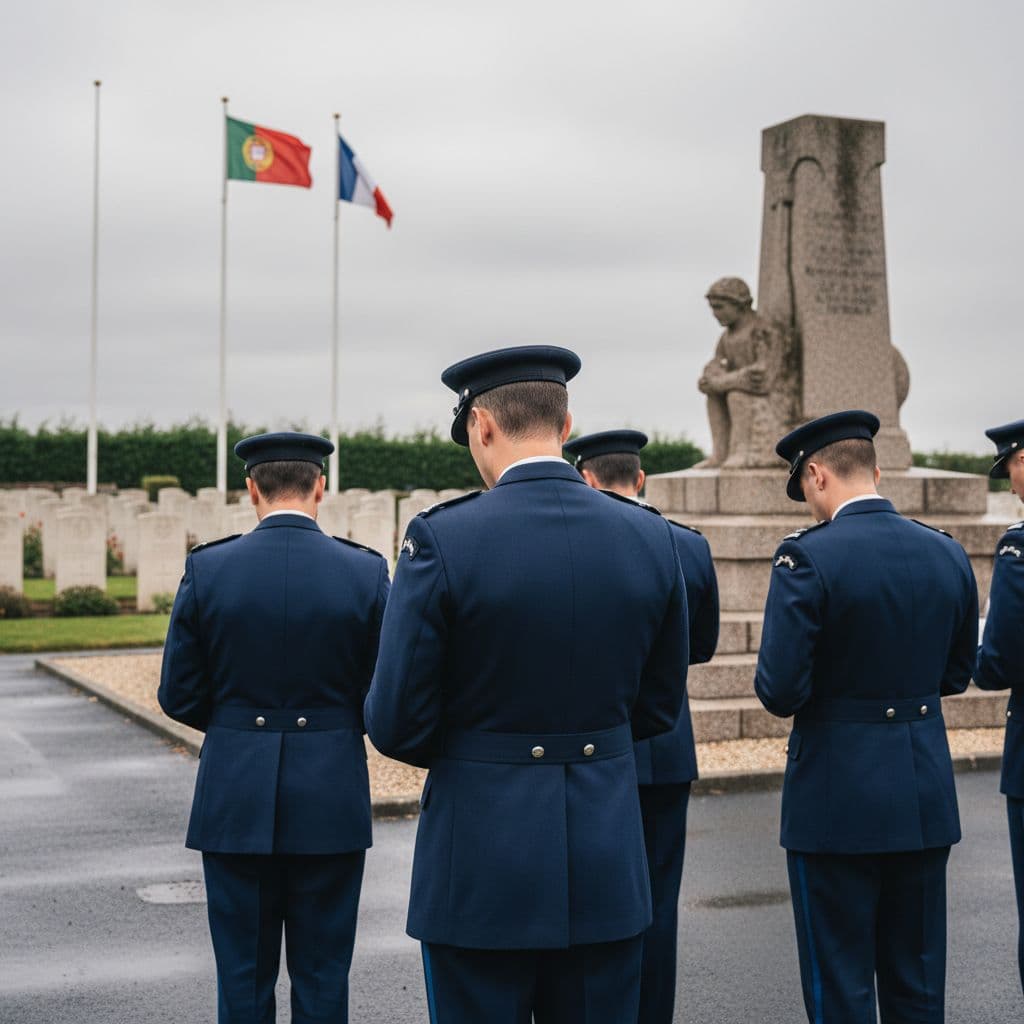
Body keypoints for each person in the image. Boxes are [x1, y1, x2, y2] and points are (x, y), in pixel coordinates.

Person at [364, 346, 690, 1024]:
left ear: (481, 426)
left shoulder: (443, 538)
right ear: (566, 426)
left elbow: (395, 719)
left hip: (480, 859)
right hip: (606, 852)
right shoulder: (651, 537)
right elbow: (659, 705)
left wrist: (477, 753)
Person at [754, 410, 978, 1024]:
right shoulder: (946, 552)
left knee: (840, 988)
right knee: (918, 986)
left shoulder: (806, 558)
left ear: (817, 475)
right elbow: (956, 675)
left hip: (836, 799)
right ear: (876, 472)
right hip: (922, 794)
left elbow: (779, 690)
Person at [158, 432, 389, 1024]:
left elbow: (177, 693)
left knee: (242, 978)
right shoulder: (364, 572)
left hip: (235, 793)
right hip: (330, 794)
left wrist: (237, 728)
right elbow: (385, 689)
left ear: (251, 489)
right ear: (321, 486)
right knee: (323, 976)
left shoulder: (209, 568)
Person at [563, 427, 718, 1024]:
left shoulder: (584, 542)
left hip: (599, 742)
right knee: (659, 901)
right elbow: (699, 646)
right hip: (668, 740)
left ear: (587, 478)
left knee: (595, 902)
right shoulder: (689, 545)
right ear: (641, 478)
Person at [974, 418, 1024, 992]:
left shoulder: (1019, 546)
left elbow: (998, 664)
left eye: (1010, 465)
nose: (1010, 482)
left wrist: (976, 652)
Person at [695, 277, 791, 469]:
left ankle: (742, 452)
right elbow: (718, 362)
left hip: (771, 398)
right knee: (714, 396)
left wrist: (722, 382)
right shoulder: (726, 337)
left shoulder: (763, 330)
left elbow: (763, 375)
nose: (715, 314)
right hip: (741, 389)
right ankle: (720, 453)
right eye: (713, 308)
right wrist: (709, 377)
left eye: (719, 307)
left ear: (740, 305)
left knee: (735, 395)